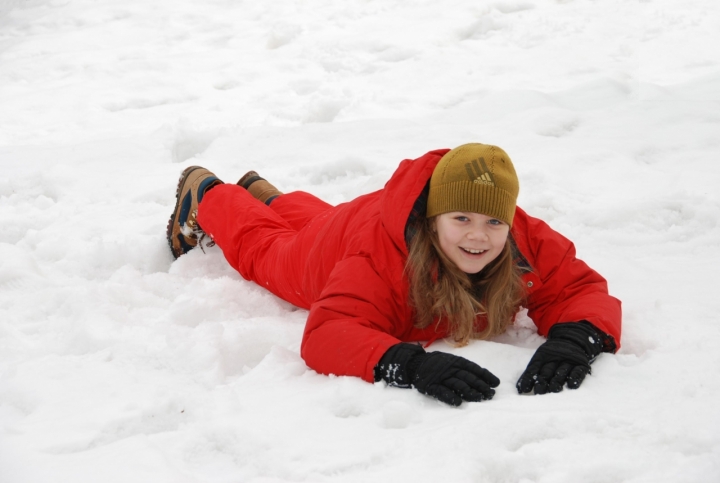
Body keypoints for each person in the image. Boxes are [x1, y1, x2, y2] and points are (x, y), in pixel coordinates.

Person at [166, 143, 621, 406]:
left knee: (318, 221)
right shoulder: (380, 260)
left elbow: (577, 286)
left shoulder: (522, 237)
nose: (479, 237)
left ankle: (266, 196)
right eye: (461, 219)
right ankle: (210, 193)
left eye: (492, 222)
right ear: (432, 217)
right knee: (268, 252)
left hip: (357, 219)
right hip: (334, 248)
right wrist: (409, 364)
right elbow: (329, 331)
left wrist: (577, 336)